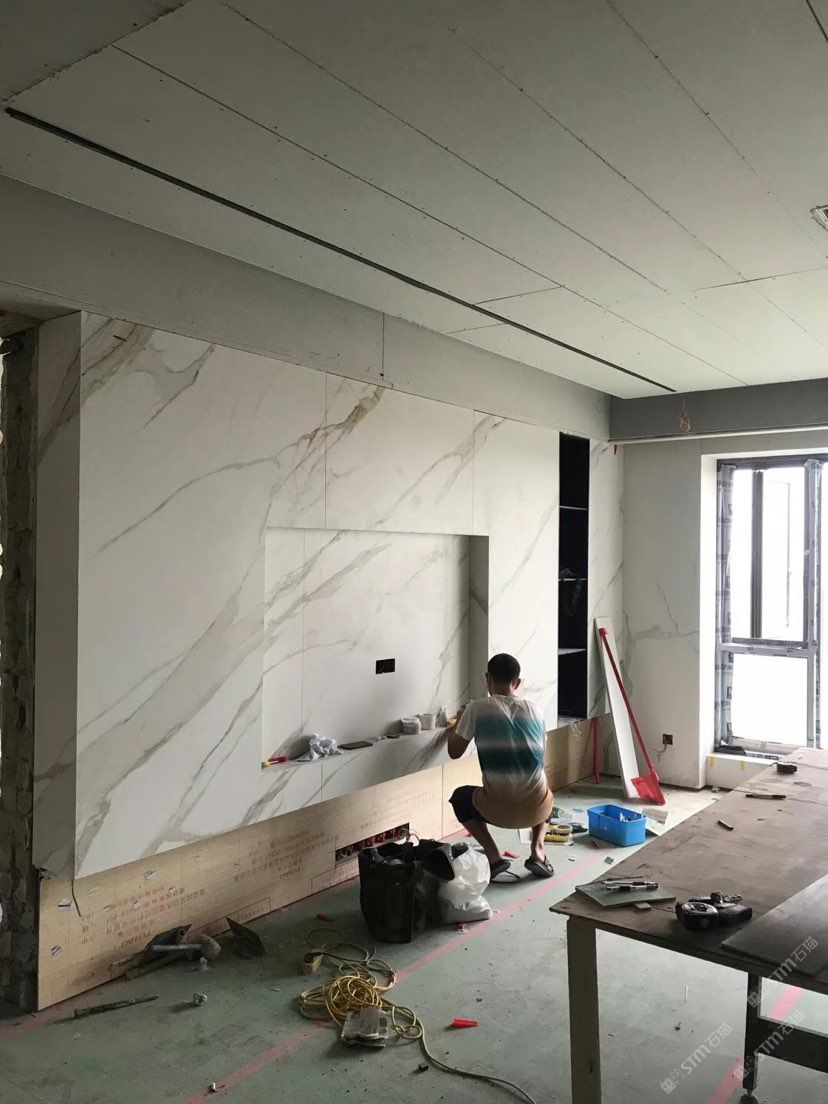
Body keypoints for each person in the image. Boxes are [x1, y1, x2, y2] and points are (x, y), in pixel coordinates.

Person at [445, 652, 554, 879]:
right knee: (542, 787)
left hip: (498, 811)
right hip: (536, 809)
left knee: (460, 798)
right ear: (518, 682)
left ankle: (494, 856)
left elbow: (454, 752)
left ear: (488, 678)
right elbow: (539, 752)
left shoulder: (477, 708)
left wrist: (460, 720)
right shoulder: (535, 710)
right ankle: (538, 850)